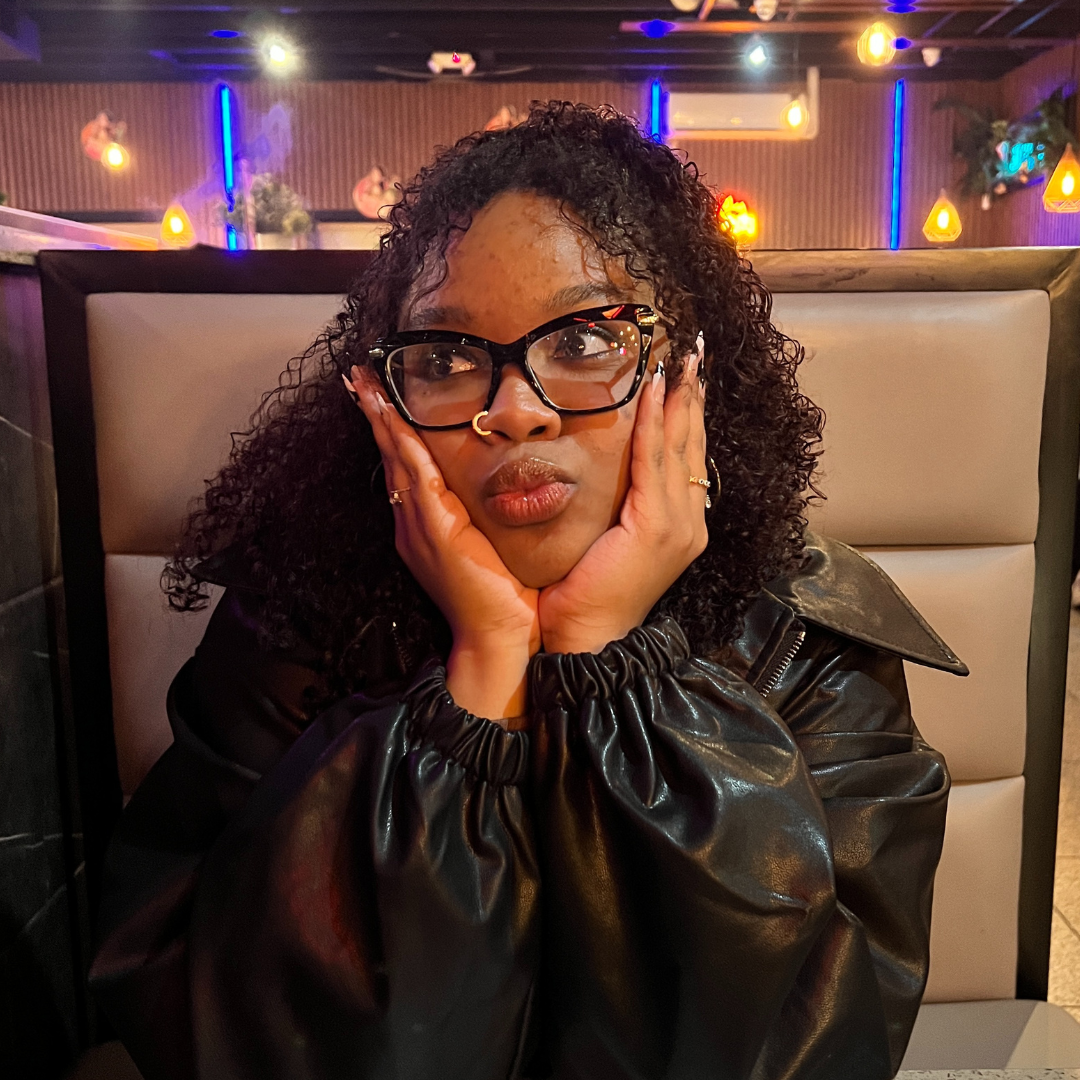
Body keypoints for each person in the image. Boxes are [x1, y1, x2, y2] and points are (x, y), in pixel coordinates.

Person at [89, 101, 966, 1080]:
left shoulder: (809, 648)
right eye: (450, 359)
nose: (514, 412)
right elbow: (205, 1024)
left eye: (586, 341)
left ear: (688, 368)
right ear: (389, 398)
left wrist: (608, 663)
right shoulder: (295, 628)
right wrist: (473, 694)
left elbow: (817, 1050)